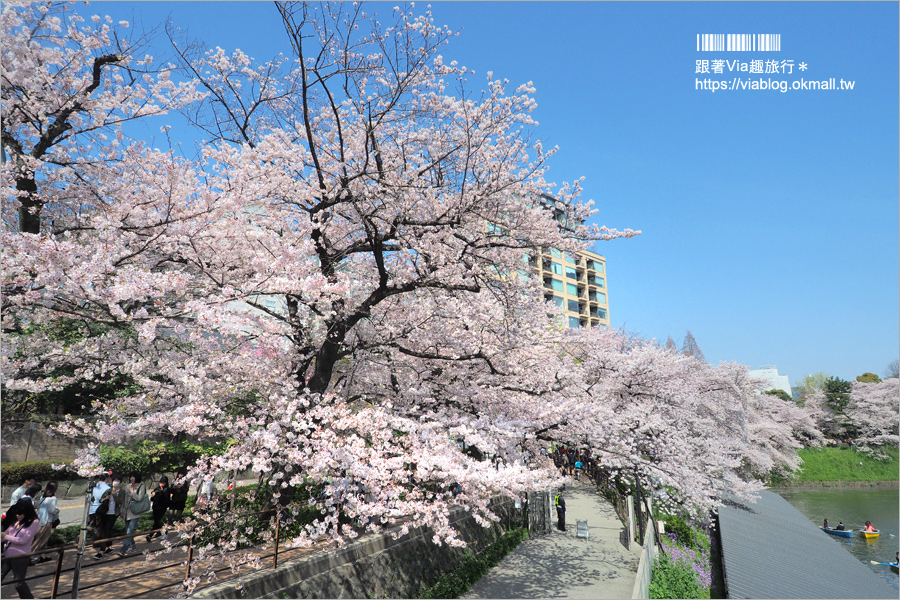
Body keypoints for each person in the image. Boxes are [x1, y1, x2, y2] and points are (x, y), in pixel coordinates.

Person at [1, 499, 40, 598]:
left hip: (20, 556)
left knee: (18, 583)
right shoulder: (17, 521)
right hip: (7, 555)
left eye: (20, 514)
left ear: (27, 512)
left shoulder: (34, 522)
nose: (17, 516)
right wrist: (4, 537)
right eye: (16, 514)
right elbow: (8, 533)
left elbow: (23, 540)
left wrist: (5, 536)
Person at [117, 473, 147, 556]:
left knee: (130, 531)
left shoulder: (141, 486)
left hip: (135, 512)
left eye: (133, 476)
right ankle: (132, 545)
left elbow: (139, 498)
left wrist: (132, 492)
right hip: (126, 512)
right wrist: (121, 511)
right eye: (131, 476)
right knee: (128, 531)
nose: (132, 478)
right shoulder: (127, 486)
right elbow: (123, 500)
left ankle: (123, 550)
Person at [30, 481, 59, 564]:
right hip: (47, 521)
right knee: (41, 540)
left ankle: (43, 556)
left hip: (40, 519)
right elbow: (52, 510)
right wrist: (57, 511)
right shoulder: (53, 498)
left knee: (40, 538)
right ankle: (31, 556)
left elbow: (37, 506)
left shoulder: (43, 496)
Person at [88, 473, 116, 559]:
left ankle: (108, 547)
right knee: (105, 531)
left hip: (96, 510)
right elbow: (105, 500)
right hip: (107, 511)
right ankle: (102, 550)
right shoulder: (108, 488)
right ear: (107, 478)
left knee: (106, 530)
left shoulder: (94, 486)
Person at [147, 475, 171, 542]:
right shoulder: (157, 489)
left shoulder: (166, 490)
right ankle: (159, 533)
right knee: (156, 521)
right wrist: (153, 495)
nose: (161, 484)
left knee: (158, 521)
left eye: (163, 483)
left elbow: (165, 499)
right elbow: (152, 498)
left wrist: (160, 493)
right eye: (161, 482)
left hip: (162, 508)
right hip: (155, 507)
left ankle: (150, 535)